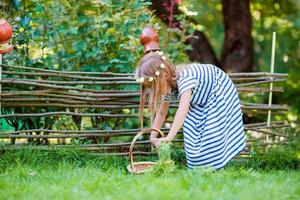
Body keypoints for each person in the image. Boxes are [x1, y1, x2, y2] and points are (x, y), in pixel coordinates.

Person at [135, 27, 246, 170]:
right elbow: (162, 113)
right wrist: (153, 136)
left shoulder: (184, 78)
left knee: (211, 134)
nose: (153, 91)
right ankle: (200, 167)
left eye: (153, 86)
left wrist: (169, 137)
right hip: (201, 99)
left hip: (218, 91)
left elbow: (183, 109)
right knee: (192, 132)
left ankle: (216, 166)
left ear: (163, 78)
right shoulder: (168, 87)